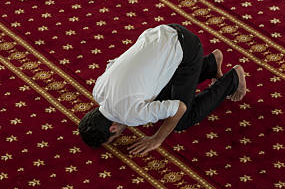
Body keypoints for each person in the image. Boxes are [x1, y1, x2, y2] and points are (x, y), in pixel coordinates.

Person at [78, 23, 247, 155]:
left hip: (187, 49)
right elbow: (113, 64)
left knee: (181, 121)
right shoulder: (98, 90)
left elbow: (179, 108)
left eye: (114, 138)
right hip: (161, 33)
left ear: (112, 129)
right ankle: (210, 64)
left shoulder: (130, 115)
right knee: (157, 99)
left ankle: (232, 79)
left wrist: (157, 139)